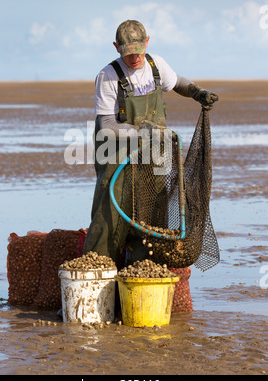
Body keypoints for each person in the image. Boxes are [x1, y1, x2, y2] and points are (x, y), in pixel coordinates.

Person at [84, 20, 218, 267]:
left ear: (147, 42)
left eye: (138, 50)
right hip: (118, 158)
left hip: (155, 154)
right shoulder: (108, 76)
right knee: (111, 214)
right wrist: (141, 131)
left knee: (152, 212)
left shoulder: (156, 65)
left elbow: (177, 83)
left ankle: (141, 267)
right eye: (127, 52)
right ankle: (99, 269)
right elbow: (107, 126)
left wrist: (197, 92)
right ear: (116, 47)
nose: (134, 57)